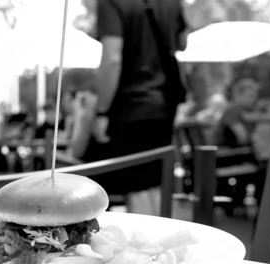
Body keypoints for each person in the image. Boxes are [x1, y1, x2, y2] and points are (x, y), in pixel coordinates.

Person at [70, 0, 189, 214]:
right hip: (163, 105)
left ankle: (138, 243)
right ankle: (157, 242)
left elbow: (112, 58)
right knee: (154, 182)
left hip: (130, 107)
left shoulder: (112, 2)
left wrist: (102, 112)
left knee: (132, 184)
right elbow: (182, 42)